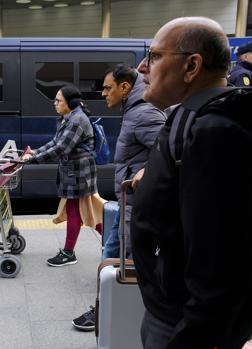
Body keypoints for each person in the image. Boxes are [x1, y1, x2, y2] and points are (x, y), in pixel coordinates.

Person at [132, 17, 252, 348]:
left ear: (192, 66)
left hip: (185, 325)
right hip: (170, 311)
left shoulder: (216, 133)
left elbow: (220, 263)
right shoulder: (194, 116)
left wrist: (190, 338)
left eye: (153, 56)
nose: (141, 68)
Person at [72, 64, 165, 331]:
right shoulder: (135, 108)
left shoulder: (144, 113)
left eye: (107, 87)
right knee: (111, 261)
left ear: (125, 88)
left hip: (136, 206)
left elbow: (174, 151)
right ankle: (106, 310)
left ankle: (121, 316)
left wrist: (147, 170)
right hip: (128, 204)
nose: (103, 93)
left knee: (121, 263)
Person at [22, 85, 104, 267]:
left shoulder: (77, 120)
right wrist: (35, 152)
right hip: (74, 170)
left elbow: (61, 148)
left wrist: (32, 161)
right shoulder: (68, 118)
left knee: (76, 210)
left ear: (71, 103)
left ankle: (69, 253)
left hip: (79, 171)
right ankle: (114, 242)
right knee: (87, 210)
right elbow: (55, 142)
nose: (55, 103)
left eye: (58, 100)